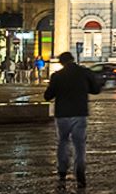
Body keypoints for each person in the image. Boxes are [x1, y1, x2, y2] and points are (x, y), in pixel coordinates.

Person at [43, 52, 103, 187]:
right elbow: (96, 89)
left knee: (63, 141)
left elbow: (48, 96)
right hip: (79, 112)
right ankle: (80, 170)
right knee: (79, 144)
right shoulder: (84, 72)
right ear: (73, 60)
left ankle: (62, 170)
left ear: (61, 63)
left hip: (62, 114)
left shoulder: (57, 76)